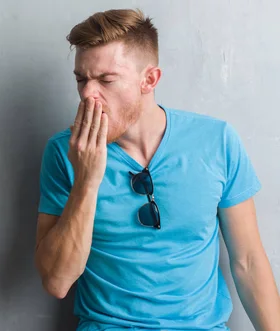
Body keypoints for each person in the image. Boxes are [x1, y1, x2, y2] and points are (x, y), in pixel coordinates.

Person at [33, 8, 280, 331]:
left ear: (149, 79)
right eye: (82, 79)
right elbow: (57, 282)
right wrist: (87, 181)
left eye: (106, 80)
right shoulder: (64, 152)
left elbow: (248, 261)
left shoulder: (216, 140)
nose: (87, 95)